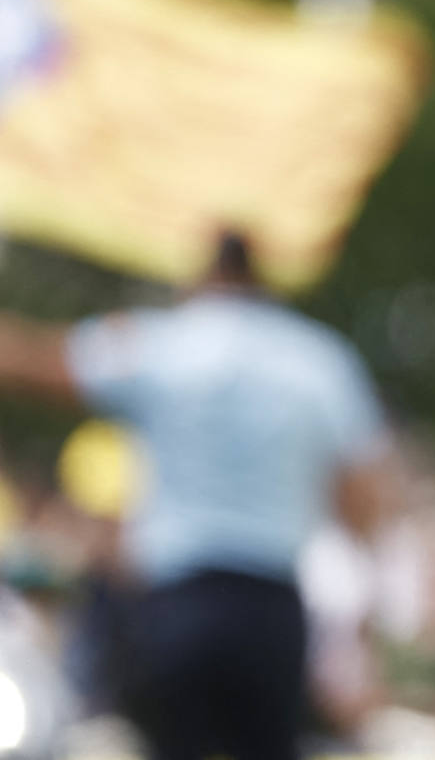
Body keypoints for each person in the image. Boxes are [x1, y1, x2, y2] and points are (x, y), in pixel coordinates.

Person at [0, 231, 391, 760]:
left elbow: (40, 364)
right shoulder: (317, 358)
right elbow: (364, 491)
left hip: (177, 605)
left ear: (202, 274)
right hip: (271, 607)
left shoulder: (159, 343)